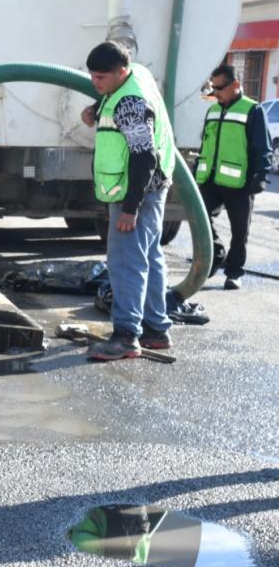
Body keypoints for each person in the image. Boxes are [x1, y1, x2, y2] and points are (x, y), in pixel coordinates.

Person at [79, 41, 176, 360]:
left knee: (126, 262)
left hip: (135, 191)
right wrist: (97, 106)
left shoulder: (130, 103)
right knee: (149, 256)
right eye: (92, 76)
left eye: (101, 78)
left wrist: (131, 208)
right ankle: (155, 329)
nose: (95, 82)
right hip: (151, 188)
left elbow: (144, 156)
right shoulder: (136, 76)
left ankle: (125, 336)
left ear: (121, 72)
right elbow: (113, 97)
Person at [196, 64, 273, 290]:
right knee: (200, 221)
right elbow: (206, 145)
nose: (215, 92)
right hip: (210, 179)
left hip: (240, 182)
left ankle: (234, 272)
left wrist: (261, 175)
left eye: (219, 87)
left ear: (236, 85)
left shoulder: (253, 110)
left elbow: (263, 146)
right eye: (213, 87)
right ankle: (217, 253)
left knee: (240, 231)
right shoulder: (212, 110)